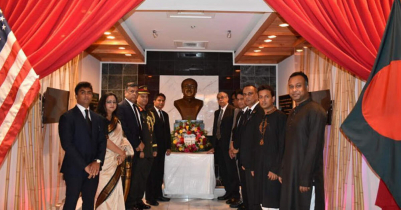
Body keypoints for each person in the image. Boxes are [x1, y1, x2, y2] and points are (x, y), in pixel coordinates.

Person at [279, 72, 327, 210]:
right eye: (291, 87)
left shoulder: (316, 111)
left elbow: (314, 147)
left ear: (307, 86)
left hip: (305, 178)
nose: (294, 90)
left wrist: (306, 178)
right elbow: (288, 146)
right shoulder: (293, 112)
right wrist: (283, 170)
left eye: (298, 86)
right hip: (291, 173)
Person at [59, 82, 107, 210]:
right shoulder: (67, 117)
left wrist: (97, 162)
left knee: (89, 202)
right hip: (75, 168)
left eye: (89, 92)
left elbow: (102, 142)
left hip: (94, 169)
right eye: (82, 92)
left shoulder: (98, 119)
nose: (86, 95)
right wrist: (85, 166)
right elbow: (67, 145)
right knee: (71, 201)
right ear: (76, 95)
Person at [95, 93, 134, 210]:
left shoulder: (116, 120)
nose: (112, 104)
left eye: (114, 102)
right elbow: (105, 140)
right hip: (104, 160)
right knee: (104, 189)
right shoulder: (99, 119)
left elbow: (121, 138)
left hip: (116, 160)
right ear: (103, 104)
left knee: (116, 191)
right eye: (109, 102)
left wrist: (122, 152)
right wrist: (121, 153)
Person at [255, 85, 286, 210]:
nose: (263, 100)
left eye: (266, 97)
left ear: (273, 98)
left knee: (272, 203)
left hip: (272, 168)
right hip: (261, 167)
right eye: (261, 97)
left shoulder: (281, 117)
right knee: (263, 203)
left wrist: (276, 169)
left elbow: (283, 145)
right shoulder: (261, 116)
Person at [237, 85, 264, 210]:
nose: (246, 97)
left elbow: (257, 141)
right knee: (247, 193)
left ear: (256, 94)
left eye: (250, 94)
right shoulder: (247, 112)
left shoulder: (260, 112)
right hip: (246, 161)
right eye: (245, 94)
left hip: (254, 162)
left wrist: (252, 163)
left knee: (254, 197)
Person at [131, 85, 158, 210]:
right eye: (142, 96)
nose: (145, 99)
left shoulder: (149, 112)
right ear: (137, 97)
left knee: (143, 178)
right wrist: (140, 149)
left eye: (147, 96)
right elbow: (135, 132)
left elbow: (152, 133)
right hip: (140, 151)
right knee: (136, 179)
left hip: (149, 152)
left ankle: (139, 200)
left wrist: (154, 149)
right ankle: (133, 202)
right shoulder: (135, 111)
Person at [117, 82, 143, 210]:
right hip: (128, 148)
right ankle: (126, 205)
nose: (134, 94)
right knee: (127, 178)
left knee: (134, 178)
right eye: (132, 91)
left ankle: (131, 203)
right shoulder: (121, 106)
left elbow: (138, 128)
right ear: (125, 92)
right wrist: (137, 143)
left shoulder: (135, 107)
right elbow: (124, 128)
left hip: (136, 147)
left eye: (136, 92)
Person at [212, 92, 240, 205]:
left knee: (231, 171)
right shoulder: (217, 112)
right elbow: (215, 130)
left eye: (222, 97)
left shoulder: (233, 110)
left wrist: (232, 146)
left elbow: (234, 129)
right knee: (223, 172)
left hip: (228, 147)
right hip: (219, 147)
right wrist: (213, 146)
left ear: (227, 98)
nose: (220, 100)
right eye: (218, 98)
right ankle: (228, 192)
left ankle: (235, 195)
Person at [146, 93, 171, 206]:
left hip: (162, 149)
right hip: (153, 149)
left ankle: (158, 194)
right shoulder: (150, 113)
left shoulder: (165, 114)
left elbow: (167, 131)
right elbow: (150, 133)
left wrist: (169, 146)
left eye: (163, 101)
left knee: (159, 173)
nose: (161, 103)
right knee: (152, 173)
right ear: (154, 101)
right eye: (159, 100)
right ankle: (150, 197)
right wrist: (153, 147)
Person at [230, 89, 247, 210]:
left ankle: (247, 202)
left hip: (245, 153)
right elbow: (235, 131)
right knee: (242, 180)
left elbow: (248, 136)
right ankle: (244, 200)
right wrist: (232, 144)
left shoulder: (252, 114)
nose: (240, 101)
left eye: (242, 99)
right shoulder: (240, 113)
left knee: (246, 181)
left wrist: (238, 149)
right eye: (238, 99)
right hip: (238, 152)